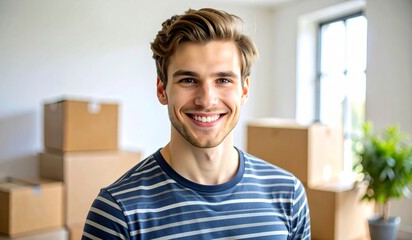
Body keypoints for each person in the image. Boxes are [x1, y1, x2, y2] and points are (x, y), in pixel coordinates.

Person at [82, 8, 310, 239]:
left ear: (244, 90)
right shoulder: (117, 212)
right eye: (188, 80)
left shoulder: (288, 195)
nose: (206, 100)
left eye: (223, 80)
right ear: (162, 90)